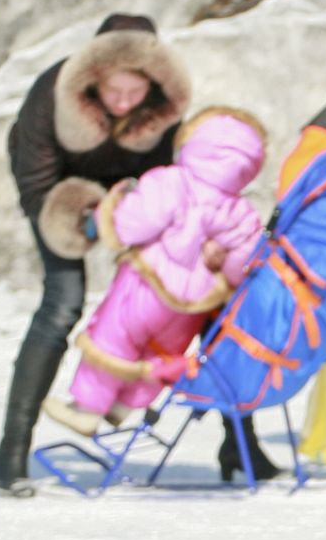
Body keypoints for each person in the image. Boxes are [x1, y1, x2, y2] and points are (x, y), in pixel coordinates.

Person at [0, 15, 277, 497]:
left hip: (145, 200)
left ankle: (240, 442)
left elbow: (181, 186)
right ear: (94, 79)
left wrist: (201, 246)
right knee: (63, 301)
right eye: (113, 91)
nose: (122, 102)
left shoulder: (163, 114)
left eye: (133, 92)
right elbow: (37, 185)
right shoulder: (53, 96)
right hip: (58, 194)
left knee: (211, 304)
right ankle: (9, 455)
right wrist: (78, 220)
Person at [38, 108, 267, 440]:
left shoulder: (172, 181)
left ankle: (87, 409)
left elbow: (134, 224)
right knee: (158, 353)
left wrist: (114, 207)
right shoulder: (241, 211)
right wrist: (217, 266)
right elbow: (241, 263)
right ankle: (124, 405)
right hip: (192, 306)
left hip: (147, 285)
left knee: (113, 337)